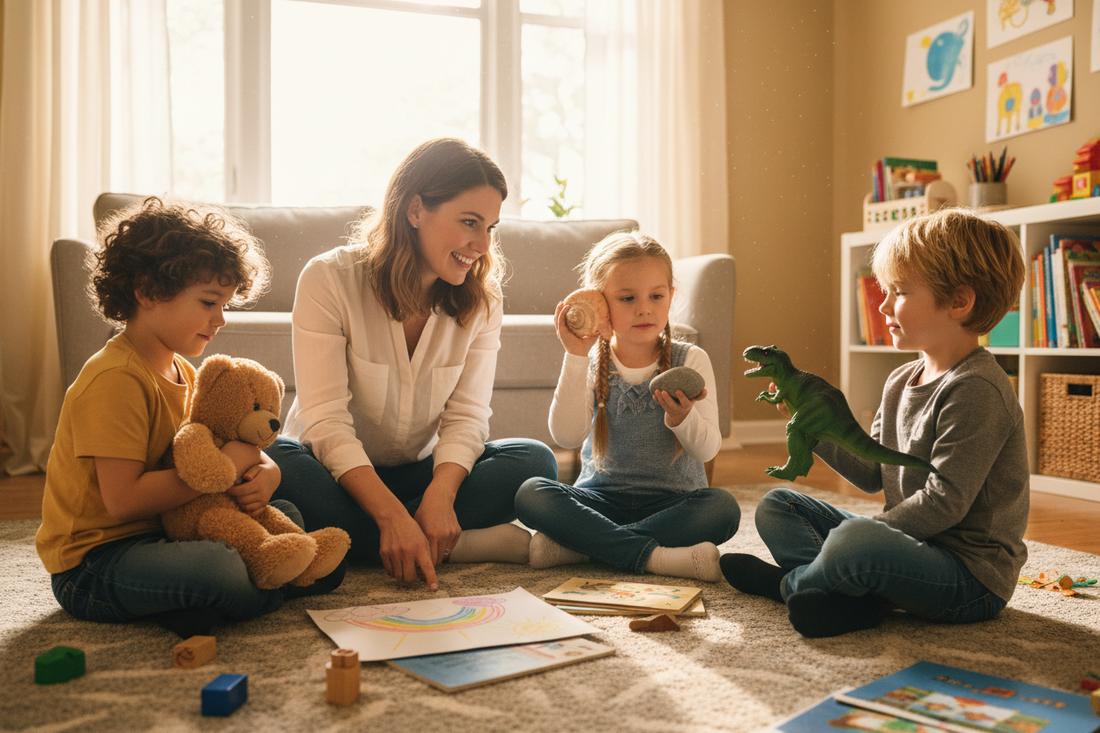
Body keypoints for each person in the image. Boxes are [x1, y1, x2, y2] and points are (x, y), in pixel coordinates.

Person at [36, 196, 342, 639]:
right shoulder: (115, 378)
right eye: (208, 302)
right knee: (219, 568)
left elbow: (215, 448)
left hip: (170, 532)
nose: (220, 319)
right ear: (147, 292)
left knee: (285, 512)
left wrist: (266, 472)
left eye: (225, 306)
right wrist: (231, 465)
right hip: (96, 563)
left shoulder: (184, 370)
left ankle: (204, 602)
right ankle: (251, 589)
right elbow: (124, 501)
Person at [720, 208, 1029, 638]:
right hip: (909, 548)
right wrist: (813, 429)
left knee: (856, 541)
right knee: (778, 504)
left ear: (959, 301)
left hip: (967, 578)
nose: (882, 305)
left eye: (898, 292)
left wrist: (862, 534)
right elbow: (871, 473)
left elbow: (946, 503)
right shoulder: (902, 378)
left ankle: (790, 585)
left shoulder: (978, 389)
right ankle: (846, 598)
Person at [267, 138, 557, 592]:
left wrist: (441, 495)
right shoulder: (329, 279)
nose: (481, 244)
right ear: (415, 209)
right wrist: (390, 514)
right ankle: (442, 544)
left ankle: (357, 542)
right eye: (469, 222)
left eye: (491, 228)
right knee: (276, 460)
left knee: (534, 460)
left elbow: (467, 417)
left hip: (422, 476)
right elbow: (325, 422)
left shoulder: (484, 299)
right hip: (335, 473)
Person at [514, 230, 741, 582]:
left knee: (723, 509)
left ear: (670, 298)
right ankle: (656, 558)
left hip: (673, 503)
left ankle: (583, 547)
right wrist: (574, 356)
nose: (644, 308)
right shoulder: (590, 362)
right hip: (600, 502)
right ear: (601, 304)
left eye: (656, 296)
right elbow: (567, 436)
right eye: (627, 298)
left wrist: (683, 418)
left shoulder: (690, 359)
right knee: (532, 494)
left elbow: (707, 447)